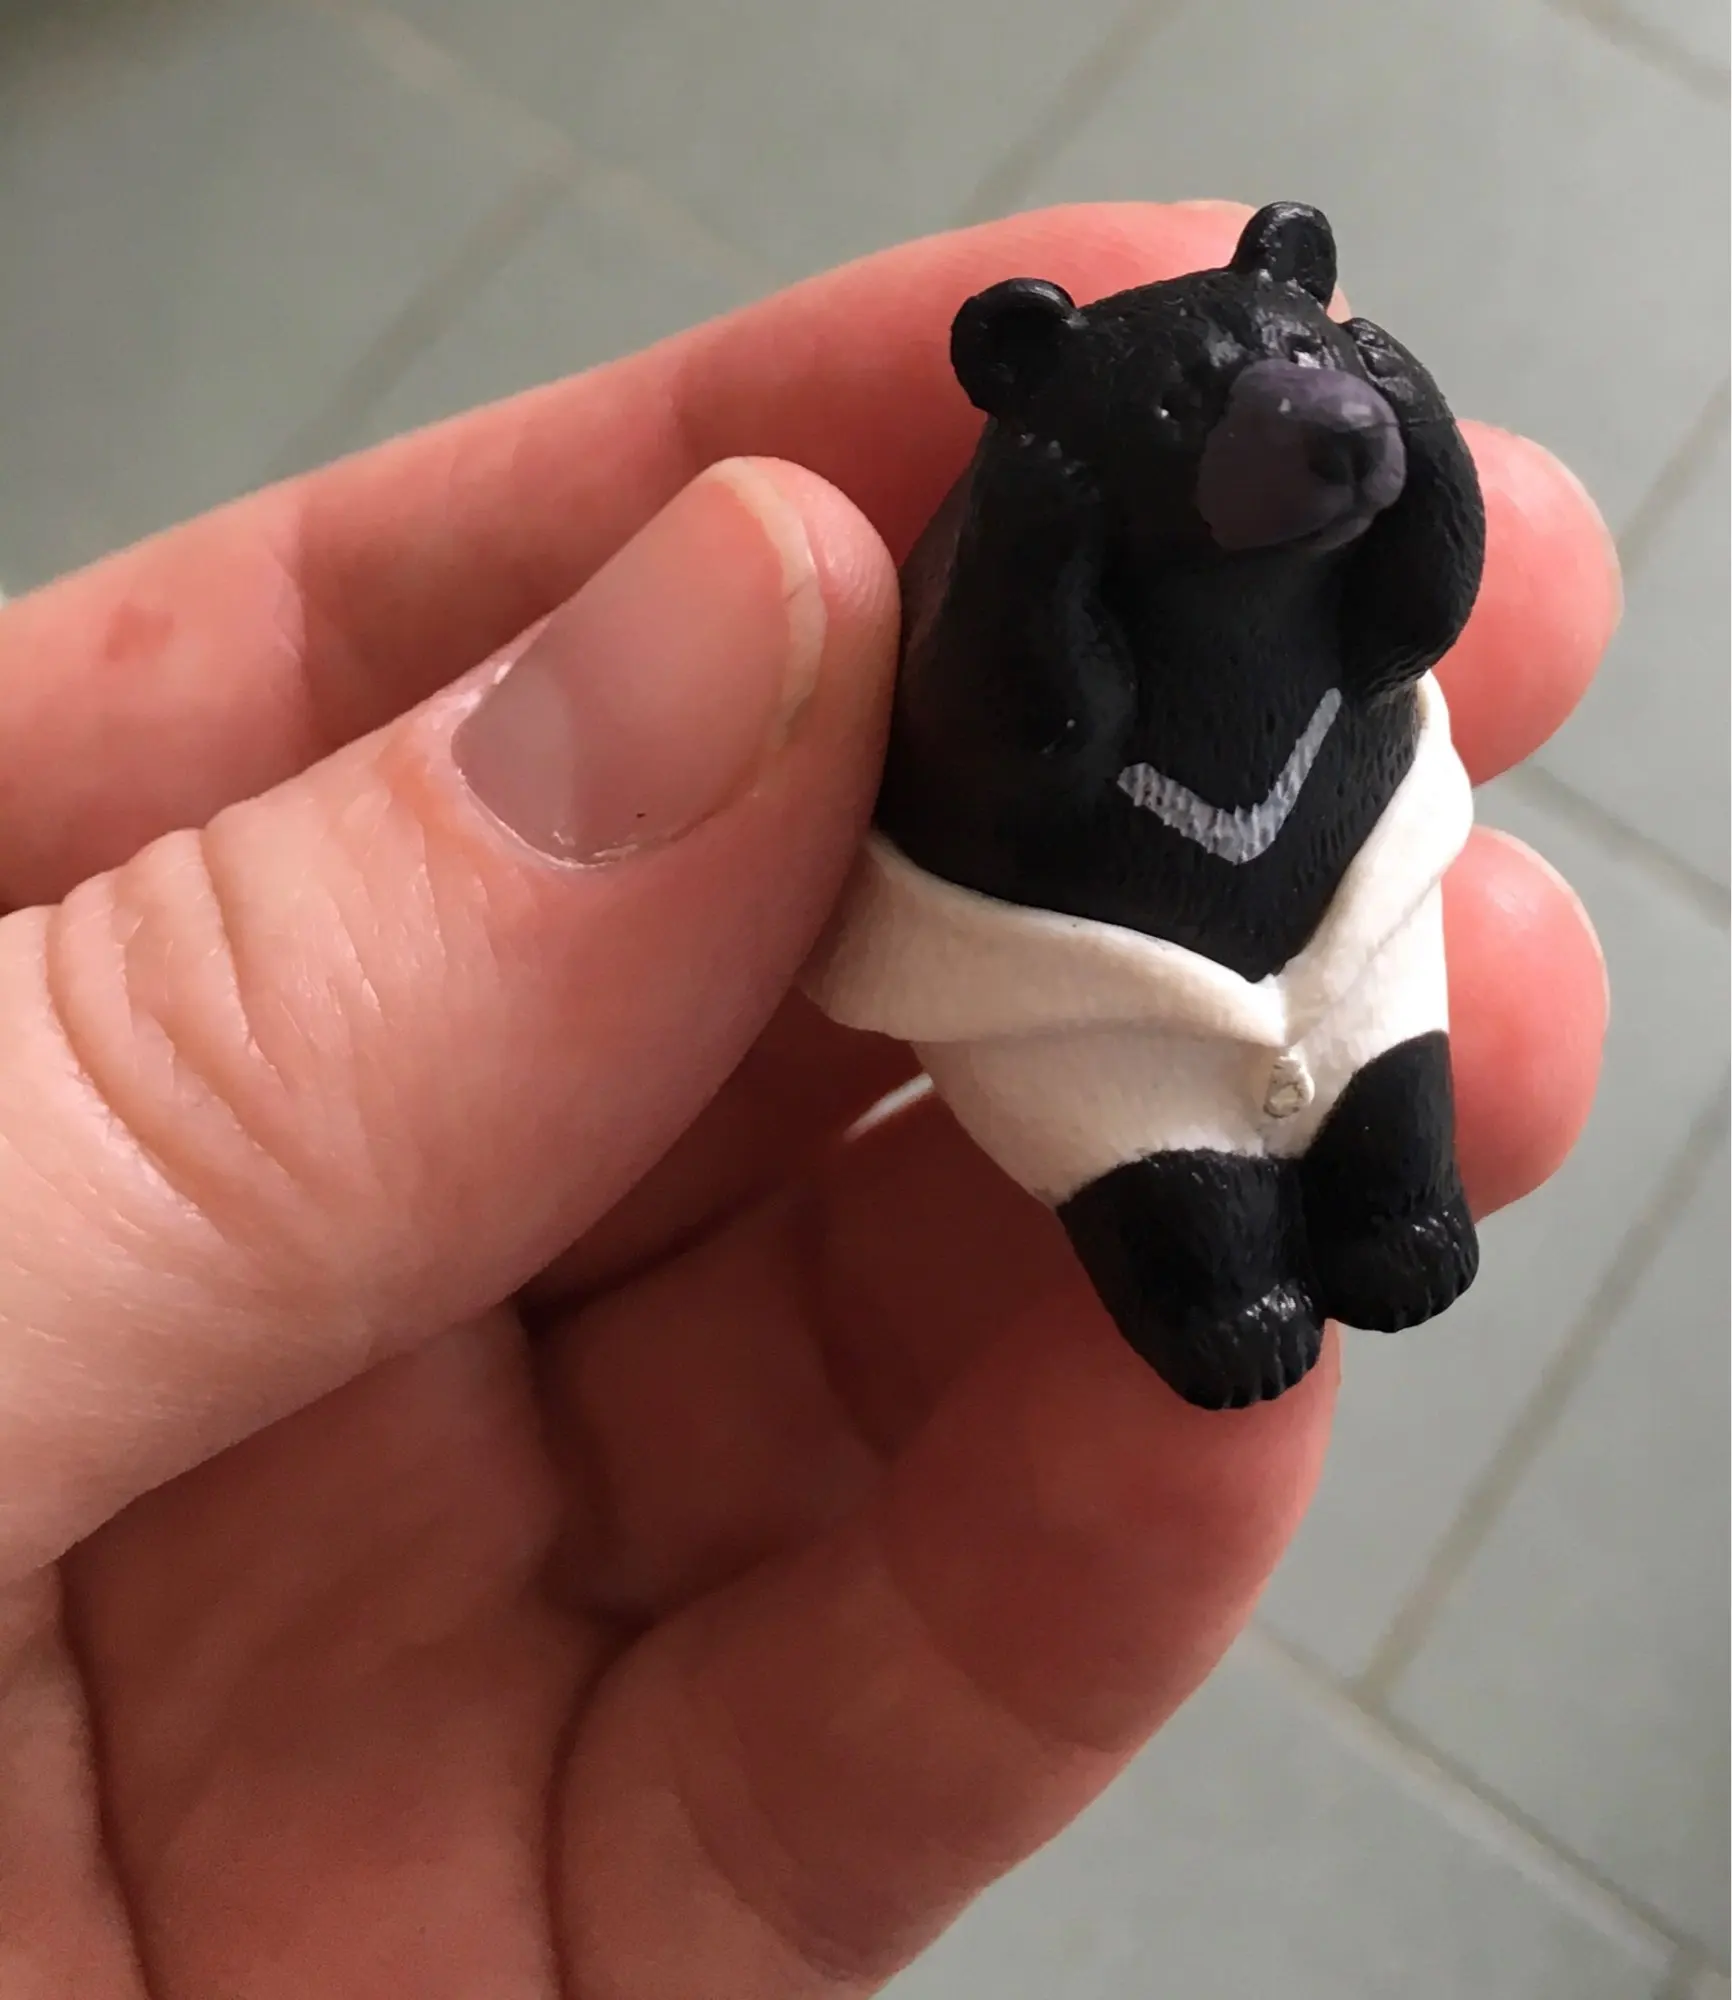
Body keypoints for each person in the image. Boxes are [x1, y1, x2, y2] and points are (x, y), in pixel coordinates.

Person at [0, 204, 1616, 1997]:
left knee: (1403, 1045)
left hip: (1347, 880)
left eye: (1308, 359)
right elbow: (1020, 752)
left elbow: (1403, 596)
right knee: (1140, 1151)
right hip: (1060, 970)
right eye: (1215, 406)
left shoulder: (1354, 651)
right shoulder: (1020, 600)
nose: (1313, 419)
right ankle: (1202, 1247)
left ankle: (1388, 1183)